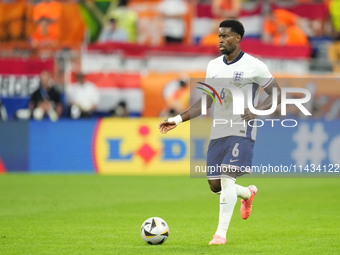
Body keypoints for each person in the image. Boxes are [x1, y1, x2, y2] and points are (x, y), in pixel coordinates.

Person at [158, 19, 281, 245]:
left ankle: (220, 235)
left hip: (242, 129)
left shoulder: (254, 65)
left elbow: (276, 94)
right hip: (219, 131)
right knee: (215, 184)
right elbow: (205, 101)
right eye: (219, 36)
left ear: (238, 38)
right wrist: (177, 119)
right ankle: (247, 193)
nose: (221, 40)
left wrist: (256, 110)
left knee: (226, 176)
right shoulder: (213, 66)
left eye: (225, 36)